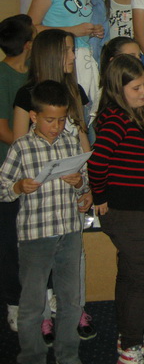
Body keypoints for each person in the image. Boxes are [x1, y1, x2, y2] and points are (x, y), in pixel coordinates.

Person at [87, 55, 144, 363]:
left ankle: (129, 338)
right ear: (117, 88)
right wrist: (99, 196)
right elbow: (97, 162)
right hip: (126, 212)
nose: (143, 92)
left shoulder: (130, 115)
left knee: (129, 274)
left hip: (140, 208)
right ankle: (130, 349)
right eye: (136, 87)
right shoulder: (116, 119)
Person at [1, 81, 87, 364]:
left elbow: (84, 184)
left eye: (61, 120)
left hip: (69, 231)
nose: (56, 126)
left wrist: (79, 183)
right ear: (34, 116)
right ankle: (32, 356)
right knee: (33, 303)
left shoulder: (70, 142)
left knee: (70, 300)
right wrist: (18, 187)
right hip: (35, 236)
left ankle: (68, 355)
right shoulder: (21, 147)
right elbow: (3, 187)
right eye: (50, 120)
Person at [27, 0, 103, 114]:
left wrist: (93, 31)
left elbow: (78, 23)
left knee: (83, 115)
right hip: (57, 60)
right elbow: (30, 28)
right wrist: (72, 30)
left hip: (83, 58)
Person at [0, 15, 34, 334]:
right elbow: (4, 130)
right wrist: (31, 149)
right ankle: (13, 302)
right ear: (26, 45)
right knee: (10, 241)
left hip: (36, 173)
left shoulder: (33, 73)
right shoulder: (2, 76)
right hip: (8, 172)